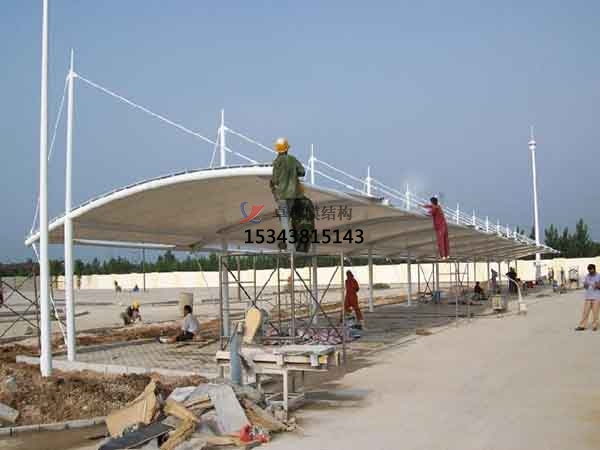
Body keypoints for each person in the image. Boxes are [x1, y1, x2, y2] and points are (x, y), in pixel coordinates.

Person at [270, 137, 306, 250]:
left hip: (281, 196)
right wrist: (293, 173)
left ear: (277, 150)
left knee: (284, 219)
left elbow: (275, 179)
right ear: (287, 149)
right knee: (287, 218)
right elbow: (302, 172)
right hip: (293, 195)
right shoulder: (293, 160)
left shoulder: (277, 162)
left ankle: (290, 246)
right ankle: (289, 242)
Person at [575, 264, 600, 331]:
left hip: (596, 297)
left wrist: (597, 285)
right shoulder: (587, 276)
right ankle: (582, 326)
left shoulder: (599, 276)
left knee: (595, 313)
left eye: (591, 270)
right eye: (589, 270)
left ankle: (595, 326)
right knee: (585, 312)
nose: (590, 272)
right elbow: (585, 287)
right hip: (588, 297)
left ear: (594, 269)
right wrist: (585, 285)